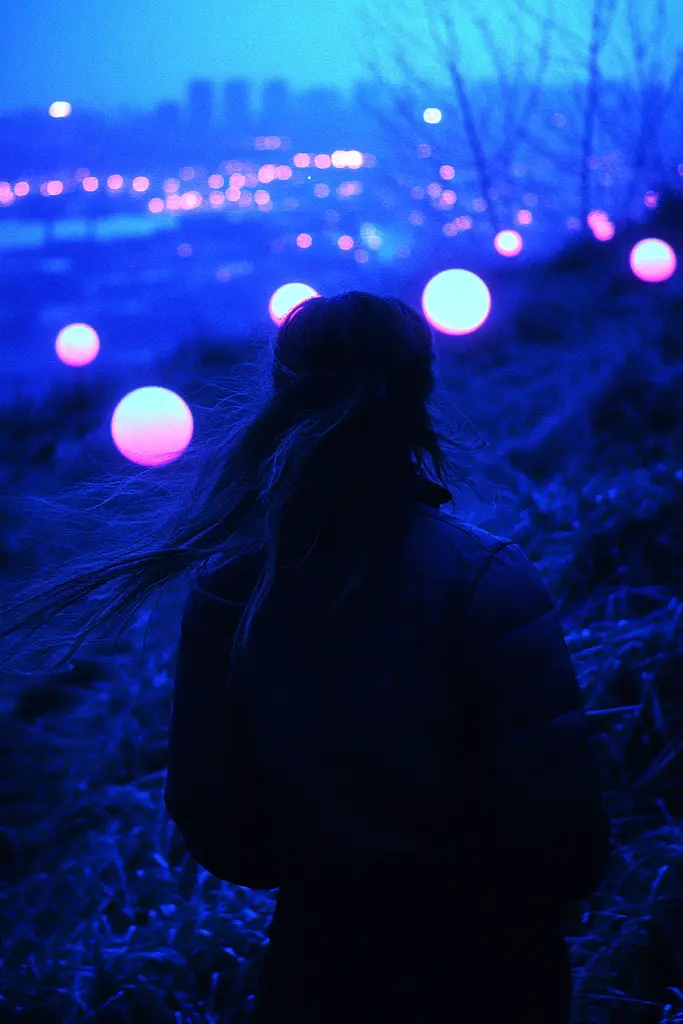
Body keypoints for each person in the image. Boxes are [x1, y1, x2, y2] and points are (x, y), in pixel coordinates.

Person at [1, 292, 612, 1024]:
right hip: (491, 973)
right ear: (421, 392)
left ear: (283, 393)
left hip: (321, 974)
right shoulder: (485, 577)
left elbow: (222, 827)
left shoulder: (234, 589)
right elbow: (562, 832)